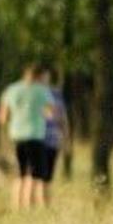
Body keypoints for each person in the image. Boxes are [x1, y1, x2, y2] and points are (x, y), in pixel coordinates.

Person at [0, 64, 53, 211]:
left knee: (19, 174)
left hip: (16, 136)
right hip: (35, 136)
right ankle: (29, 207)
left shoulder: (11, 89)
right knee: (33, 174)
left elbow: (2, 117)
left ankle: (16, 207)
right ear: (39, 76)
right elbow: (50, 113)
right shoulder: (42, 90)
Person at [36, 68, 69, 206]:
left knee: (48, 175)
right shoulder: (32, 95)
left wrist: (66, 135)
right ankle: (38, 204)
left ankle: (45, 204)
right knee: (37, 175)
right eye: (42, 77)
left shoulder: (56, 94)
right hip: (36, 138)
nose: (45, 79)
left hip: (52, 138)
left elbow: (62, 117)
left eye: (47, 76)